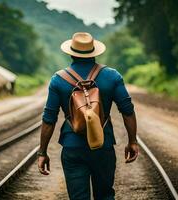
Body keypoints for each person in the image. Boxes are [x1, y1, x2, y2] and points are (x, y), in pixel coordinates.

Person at [37, 32, 139, 200]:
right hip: (103, 145)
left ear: (70, 53)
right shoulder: (112, 76)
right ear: (94, 52)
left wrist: (42, 152)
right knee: (105, 195)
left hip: (72, 147)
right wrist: (132, 141)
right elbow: (127, 110)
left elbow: (49, 119)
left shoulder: (58, 80)